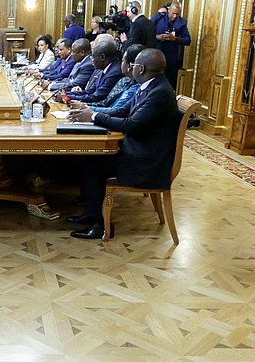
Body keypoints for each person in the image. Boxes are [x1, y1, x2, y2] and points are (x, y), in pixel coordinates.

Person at [66, 49, 181, 239]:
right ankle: (91, 213)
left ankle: (99, 225)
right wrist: (88, 112)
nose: (130, 68)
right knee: (87, 159)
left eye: (134, 64)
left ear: (141, 68)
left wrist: (93, 116)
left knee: (92, 163)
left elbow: (131, 125)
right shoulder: (150, 86)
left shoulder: (159, 93)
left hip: (145, 164)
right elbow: (121, 112)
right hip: (139, 152)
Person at [69, 44, 143, 115]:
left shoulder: (118, 75)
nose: (120, 64)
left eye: (123, 61)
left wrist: (85, 107)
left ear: (130, 65)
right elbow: (105, 102)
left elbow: (116, 110)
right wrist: (83, 105)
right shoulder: (124, 80)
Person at [65, 38, 122, 105]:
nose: (91, 60)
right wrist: (66, 93)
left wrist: (69, 97)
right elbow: (90, 91)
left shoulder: (114, 73)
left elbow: (97, 97)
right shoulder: (103, 69)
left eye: (93, 57)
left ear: (102, 57)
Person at [155, 3, 191, 89]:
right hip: (156, 55)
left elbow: (188, 40)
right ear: (168, 10)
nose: (175, 16)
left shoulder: (182, 22)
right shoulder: (159, 17)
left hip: (171, 60)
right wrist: (157, 37)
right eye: (173, 13)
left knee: (169, 84)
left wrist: (174, 39)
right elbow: (148, 31)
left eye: (177, 14)